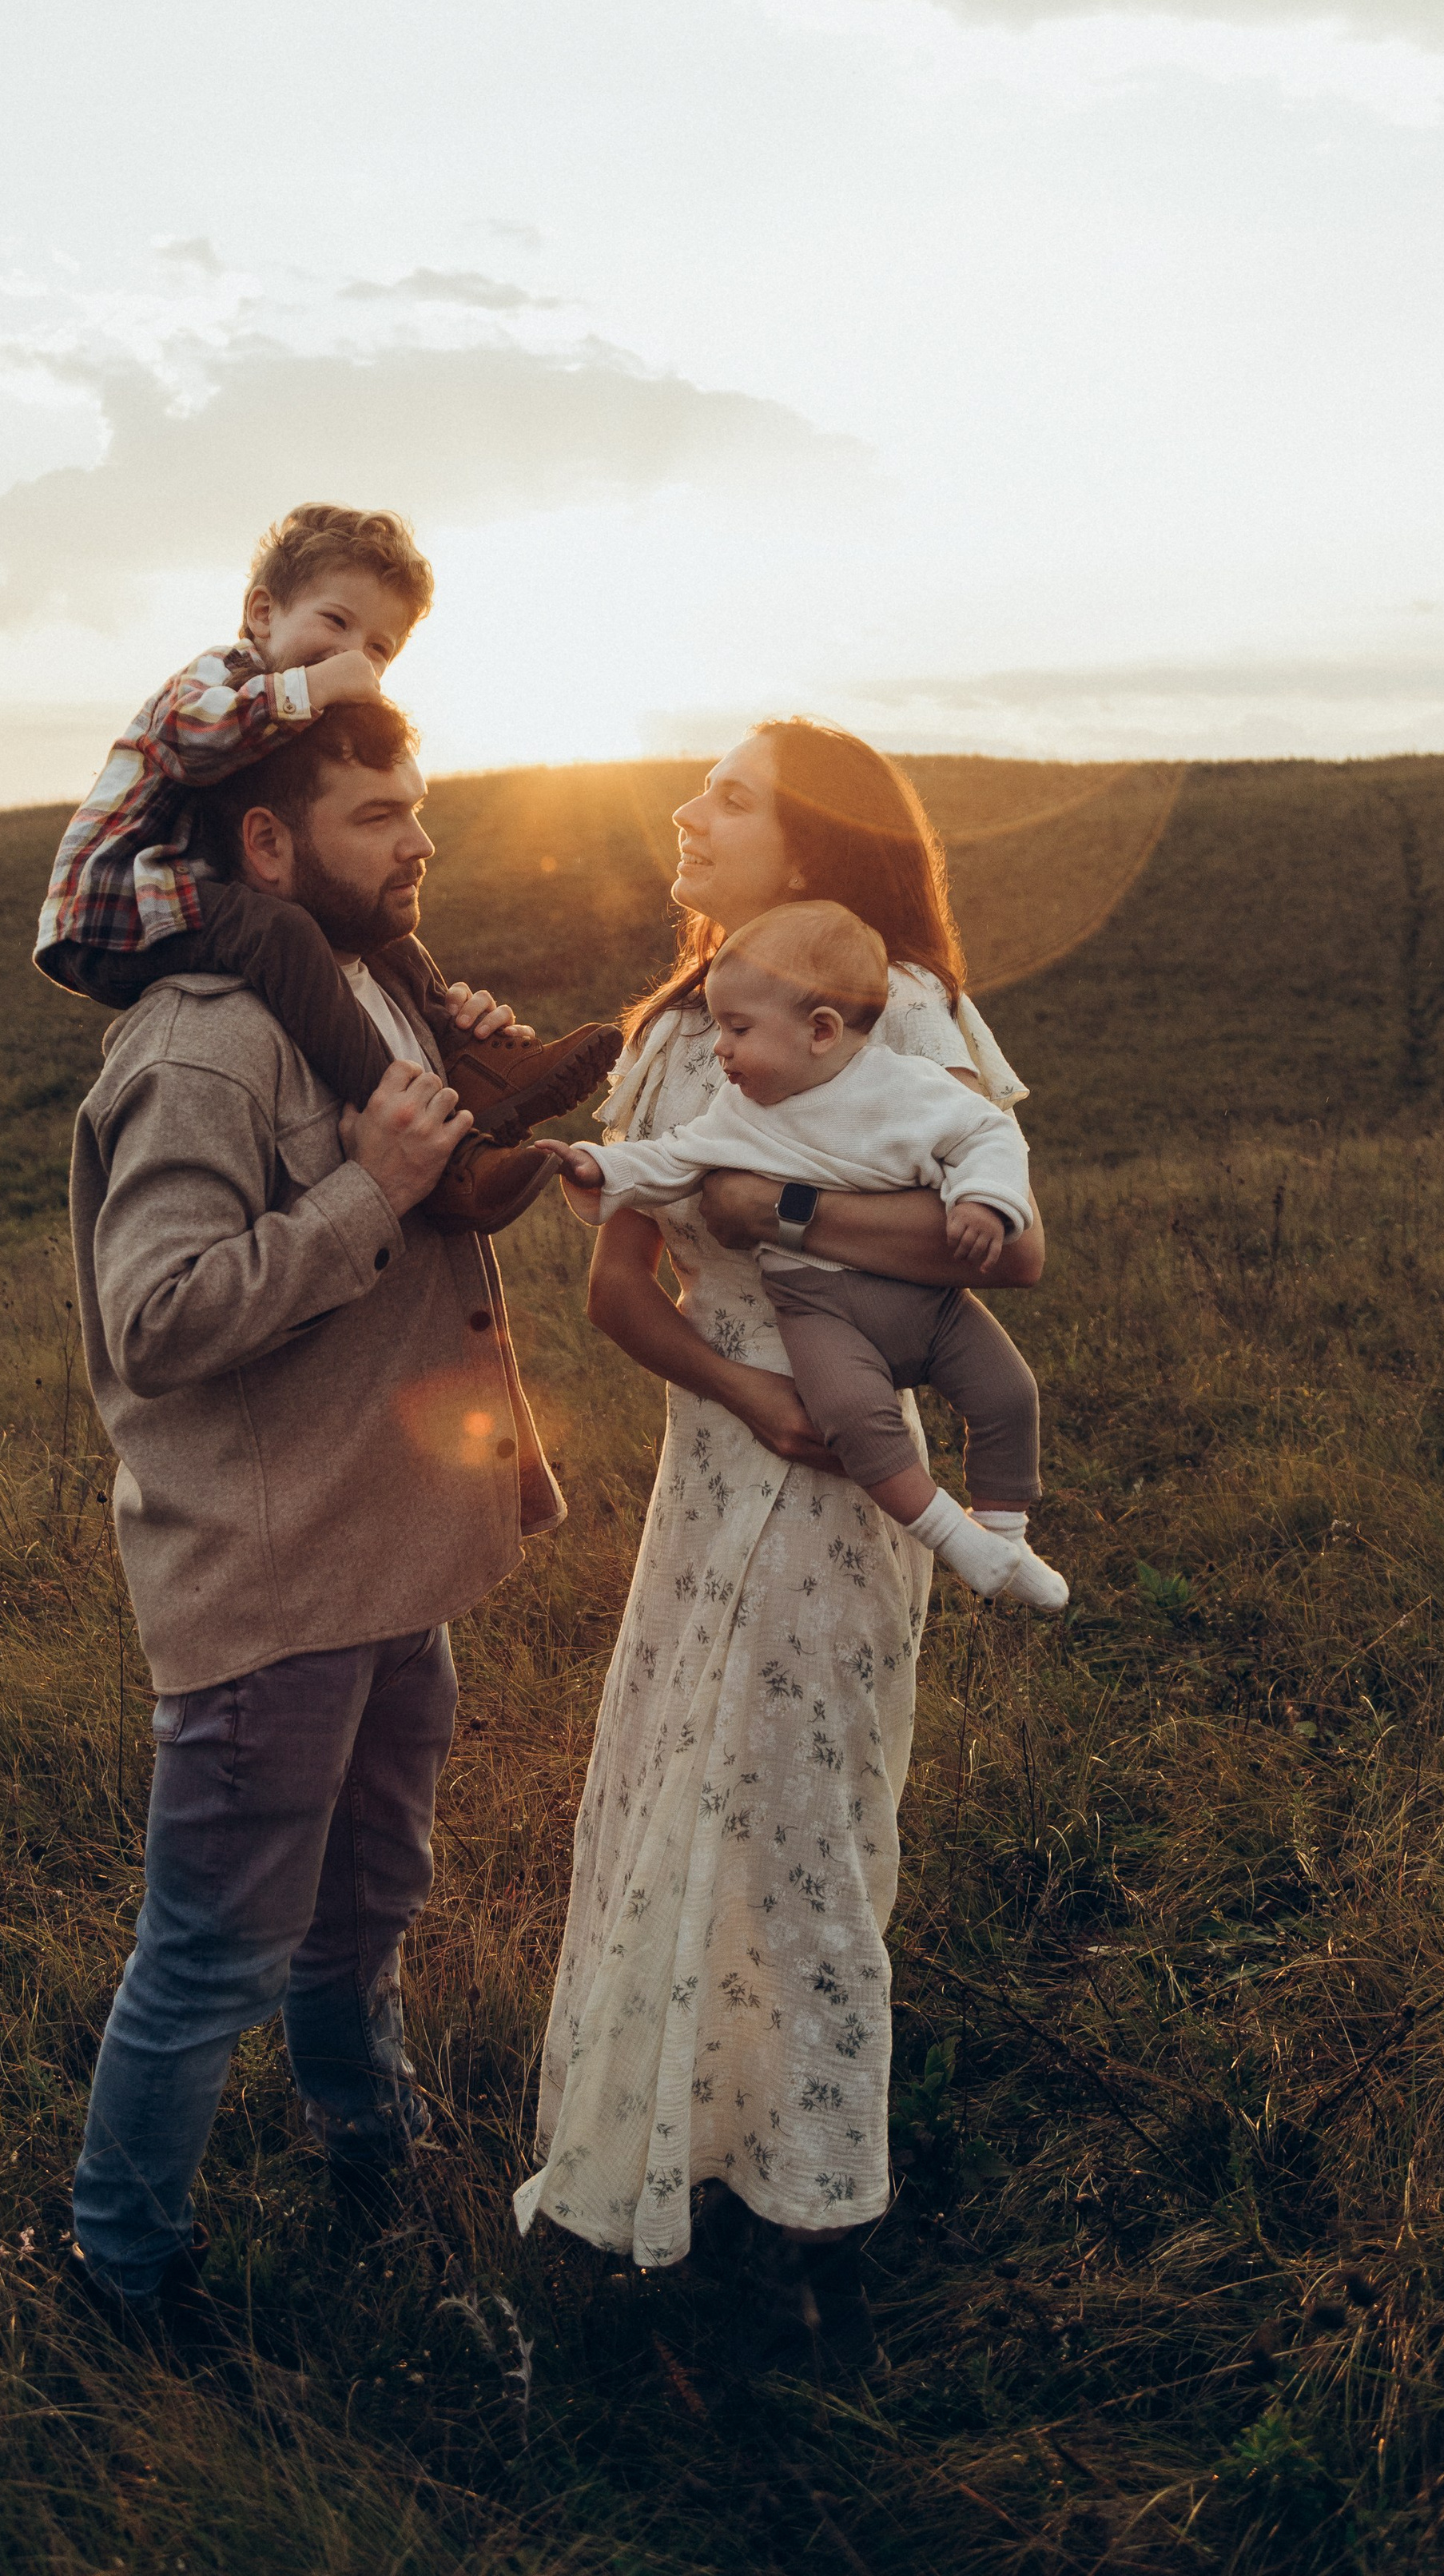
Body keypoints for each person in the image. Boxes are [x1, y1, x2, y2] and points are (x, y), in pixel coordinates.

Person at [513, 717, 1045, 2355]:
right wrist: (738, 1393)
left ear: (808, 850)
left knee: (810, 1832)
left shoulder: (913, 1022)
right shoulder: (681, 1036)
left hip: (848, 1500)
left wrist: (788, 1215)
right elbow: (615, 1287)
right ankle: (667, 2172)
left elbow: (1001, 1249)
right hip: (722, 1471)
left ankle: (820, 2218)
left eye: (727, 797)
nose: (684, 809)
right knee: (678, 1803)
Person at [65, 691, 566, 2337]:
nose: (420, 841)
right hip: (274, 1589)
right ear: (266, 843)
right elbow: (155, 1319)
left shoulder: (366, 998)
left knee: (365, 1904)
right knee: (211, 1953)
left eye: (418, 808)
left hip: (385, 1561)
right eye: (376, 817)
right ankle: (121, 2271)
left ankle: (372, 2142)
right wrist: (372, 1189)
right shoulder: (201, 1048)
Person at [34, 500, 619, 1232]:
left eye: (379, 649)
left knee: (367, 910)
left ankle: (474, 1062)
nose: (355, 659)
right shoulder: (217, 678)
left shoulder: (290, 717)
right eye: (336, 624)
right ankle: (439, 1148)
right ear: (261, 612)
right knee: (281, 936)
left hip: (180, 890)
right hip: (114, 907)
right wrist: (312, 690)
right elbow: (194, 737)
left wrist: (438, 1013)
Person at [539, 896, 1065, 1615]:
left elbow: (985, 1138)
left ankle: (1006, 1530)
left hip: (928, 1303)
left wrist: (982, 1200)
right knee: (853, 1419)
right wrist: (601, 1169)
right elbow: (669, 1160)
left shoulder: (905, 1087)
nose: (720, 1048)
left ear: (821, 1031)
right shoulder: (737, 1115)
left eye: (738, 1030)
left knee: (1010, 1393)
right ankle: (956, 1538)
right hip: (817, 1307)